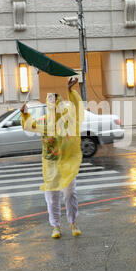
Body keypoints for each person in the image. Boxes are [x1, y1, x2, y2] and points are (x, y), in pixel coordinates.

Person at [20, 77, 84, 239]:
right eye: (50, 101)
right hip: (50, 164)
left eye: (56, 101)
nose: (53, 104)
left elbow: (76, 108)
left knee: (70, 193)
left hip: (67, 162)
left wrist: (70, 91)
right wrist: (24, 113)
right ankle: (55, 226)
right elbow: (28, 126)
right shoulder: (43, 122)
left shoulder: (67, 120)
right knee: (52, 196)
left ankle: (73, 222)